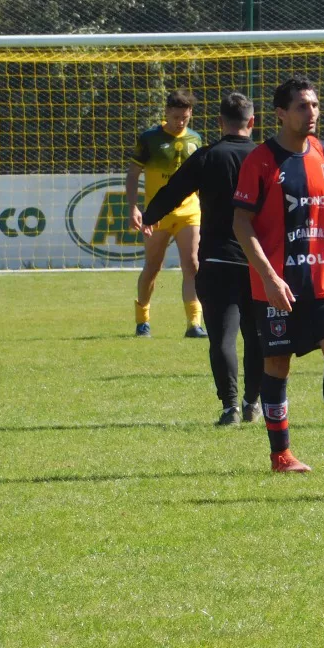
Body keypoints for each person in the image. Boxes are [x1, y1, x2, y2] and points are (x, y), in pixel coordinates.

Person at [232, 77, 324, 474]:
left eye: (314, 105)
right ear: (280, 114)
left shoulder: (321, 151)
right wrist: (267, 276)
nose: (312, 112)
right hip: (278, 285)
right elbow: (241, 224)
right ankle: (281, 455)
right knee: (277, 365)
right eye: (302, 106)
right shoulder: (260, 160)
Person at [143, 92, 264, 426]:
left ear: (219, 122)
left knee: (222, 338)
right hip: (259, 263)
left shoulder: (208, 156)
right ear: (252, 122)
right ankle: (253, 402)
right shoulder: (265, 157)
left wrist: (150, 215)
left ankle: (230, 408)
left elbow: (174, 190)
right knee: (256, 337)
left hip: (218, 261)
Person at [126, 89, 206, 338]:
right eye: (174, 117)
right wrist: (133, 207)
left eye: (184, 117)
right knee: (152, 266)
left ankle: (194, 324)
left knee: (192, 264)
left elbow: (200, 178)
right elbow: (133, 173)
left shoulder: (196, 139)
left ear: (190, 113)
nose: (179, 122)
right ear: (166, 113)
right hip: (157, 214)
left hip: (189, 211)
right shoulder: (150, 139)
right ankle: (143, 321)